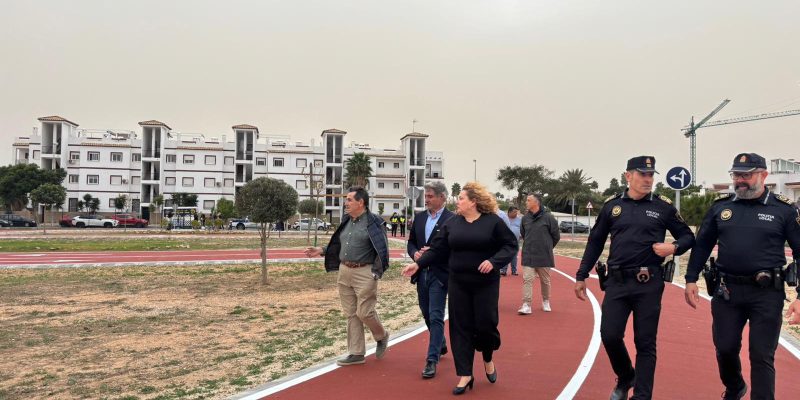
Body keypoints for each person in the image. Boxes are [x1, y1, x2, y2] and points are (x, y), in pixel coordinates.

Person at [574, 156, 695, 400]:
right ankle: (626, 375)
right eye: (643, 174)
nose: (648, 179)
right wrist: (581, 274)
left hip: (649, 283)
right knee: (609, 335)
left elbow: (688, 237)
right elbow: (596, 240)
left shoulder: (663, 206)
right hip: (617, 282)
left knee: (645, 343)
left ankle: (642, 396)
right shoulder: (612, 206)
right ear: (628, 176)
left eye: (651, 175)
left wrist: (673, 248)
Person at [684, 153, 800, 400]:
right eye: (737, 175)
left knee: (761, 355)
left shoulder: (784, 210)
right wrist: (691, 278)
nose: (741, 180)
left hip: (767, 293)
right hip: (727, 291)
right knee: (725, 348)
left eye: (747, 175)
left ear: (763, 175)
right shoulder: (721, 207)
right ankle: (735, 386)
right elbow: (702, 245)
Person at [402, 182, 518, 395]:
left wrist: (494, 261)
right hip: (458, 283)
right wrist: (418, 264)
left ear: (474, 202)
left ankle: (488, 357)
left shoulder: (493, 223)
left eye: (462, 198)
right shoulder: (453, 223)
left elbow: (510, 245)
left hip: (485, 284)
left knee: (486, 325)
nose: (458, 201)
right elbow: (437, 249)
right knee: (460, 327)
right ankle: (465, 374)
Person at [304, 186, 391, 366]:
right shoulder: (346, 220)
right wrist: (322, 250)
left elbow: (383, 250)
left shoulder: (374, 222)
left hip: (365, 272)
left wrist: (376, 272)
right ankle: (356, 353)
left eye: (349, 200)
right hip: (344, 271)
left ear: (361, 202)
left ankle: (381, 335)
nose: (346, 203)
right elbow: (339, 245)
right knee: (351, 313)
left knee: (364, 312)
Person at [407, 181, 455, 379]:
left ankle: (431, 359)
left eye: (430, 196)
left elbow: (454, 246)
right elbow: (410, 242)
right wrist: (415, 254)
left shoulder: (452, 219)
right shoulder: (418, 218)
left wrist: (434, 253)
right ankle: (440, 341)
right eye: (425, 196)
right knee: (426, 313)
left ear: (442, 197)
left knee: (436, 315)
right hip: (421, 274)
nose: (426, 200)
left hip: (440, 273)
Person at [518, 194, 560, 315]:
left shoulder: (549, 218)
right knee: (527, 279)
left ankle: (546, 300)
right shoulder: (525, 219)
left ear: (536, 202)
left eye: (528, 200)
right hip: (529, 255)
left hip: (544, 256)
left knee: (545, 280)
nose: (526, 202)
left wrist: (547, 247)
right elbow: (523, 233)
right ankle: (527, 304)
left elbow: (556, 236)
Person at [499, 206, 522, 276]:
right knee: (505, 254)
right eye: (514, 212)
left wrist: (521, 236)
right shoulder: (504, 218)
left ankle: (514, 271)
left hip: (515, 241)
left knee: (514, 256)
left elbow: (522, 229)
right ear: (509, 212)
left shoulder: (519, 220)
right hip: (505, 240)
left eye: (516, 212)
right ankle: (503, 270)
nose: (516, 213)